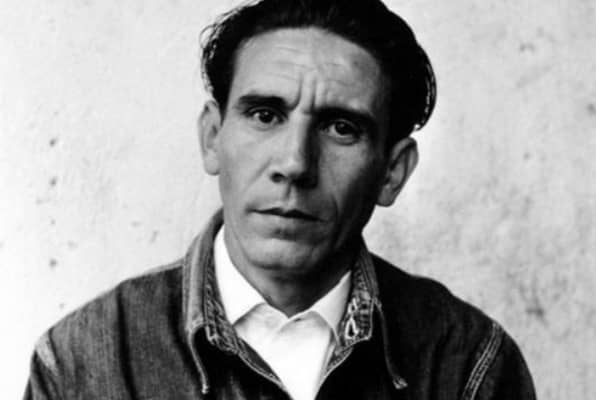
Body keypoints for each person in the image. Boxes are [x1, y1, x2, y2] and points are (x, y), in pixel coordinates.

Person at [24, 0, 536, 399]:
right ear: (212, 138)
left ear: (392, 172)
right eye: (265, 115)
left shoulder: (469, 363)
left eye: (341, 128)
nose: (294, 163)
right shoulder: (84, 360)